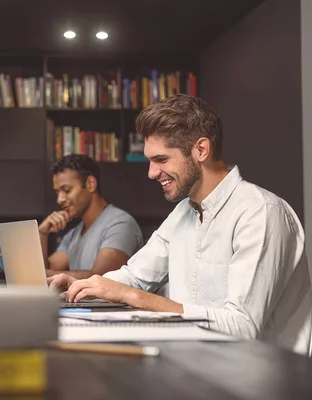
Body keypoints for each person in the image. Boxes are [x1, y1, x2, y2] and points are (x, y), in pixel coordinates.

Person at [49, 94, 312, 355]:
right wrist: (79, 286)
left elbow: (241, 327)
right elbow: (133, 277)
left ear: (200, 150)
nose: (151, 173)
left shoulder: (261, 213)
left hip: (265, 383)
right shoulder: (182, 214)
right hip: (200, 368)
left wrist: (135, 297)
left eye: (161, 160)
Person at [40, 154, 143, 279]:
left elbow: (102, 277)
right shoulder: (74, 234)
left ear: (90, 184)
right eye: (57, 192)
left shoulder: (121, 224)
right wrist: (42, 233)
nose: (59, 200)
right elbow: (49, 267)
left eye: (66, 190)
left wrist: (39, 275)